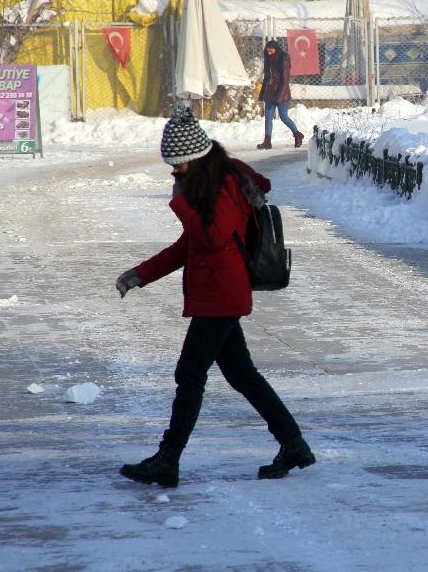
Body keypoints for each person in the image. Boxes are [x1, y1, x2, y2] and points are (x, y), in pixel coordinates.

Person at [116, 105, 315, 487]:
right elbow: (189, 245)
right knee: (242, 375)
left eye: (178, 165)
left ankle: (168, 460)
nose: (174, 173)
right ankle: (293, 444)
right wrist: (141, 274)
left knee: (190, 374)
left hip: (222, 295)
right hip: (215, 294)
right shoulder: (207, 186)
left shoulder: (225, 184)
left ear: (196, 159)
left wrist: (179, 202)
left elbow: (213, 236)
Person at [257, 39, 304, 150]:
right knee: (268, 118)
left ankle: (297, 134)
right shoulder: (268, 59)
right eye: (267, 51)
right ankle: (267, 142)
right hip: (270, 93)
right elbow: (267, 77)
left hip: (281, 93)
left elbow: (285, 80)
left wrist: (279, 96)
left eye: (271, 51)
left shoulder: (284, 58)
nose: (269, 53)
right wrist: (262, 92)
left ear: (276, 49)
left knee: (283, 117)